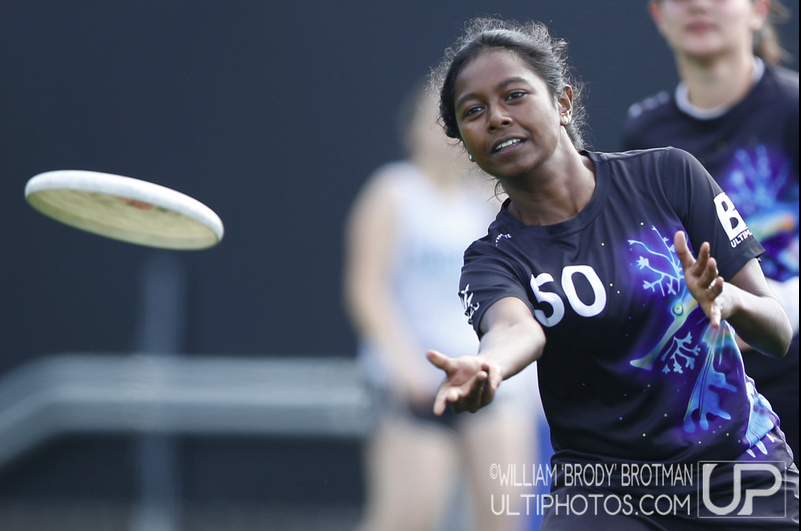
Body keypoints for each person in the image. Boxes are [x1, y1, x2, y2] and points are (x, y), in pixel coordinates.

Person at [426, 16, 797, 529]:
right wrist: (489, 366)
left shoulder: (669, 174)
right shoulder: (493, 259)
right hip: (605, 495)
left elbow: (777, 332)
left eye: (514, 95)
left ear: (563, 102)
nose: (496, 117)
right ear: (463, 141)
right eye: (474, 111)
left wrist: (730, 304)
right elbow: (516, 329)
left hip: (739, 474)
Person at [343, 81, 542, 531]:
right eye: (432, 121)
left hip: (494, 383)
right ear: (412, 128)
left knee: (501, 520)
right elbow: (365, 288)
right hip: (419, 386)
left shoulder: (492, 203)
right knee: (406, 518)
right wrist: (403, 365)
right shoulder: (393, 192)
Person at [621, 0, 799, 466]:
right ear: (658, 15)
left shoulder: (793, 110)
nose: (698, 5)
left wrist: (762, 308)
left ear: (758, 11)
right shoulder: (645, 132)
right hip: (713, 397)